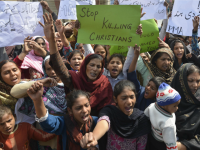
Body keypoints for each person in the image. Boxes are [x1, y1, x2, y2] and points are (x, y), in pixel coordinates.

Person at [39, 13, 113, 116]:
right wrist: (51, 40)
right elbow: (58, 66)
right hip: (74, 124)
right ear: (84, 66)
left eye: (98, 66)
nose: (95, 69)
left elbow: (107, 110)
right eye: (92, 65)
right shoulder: (74, 79)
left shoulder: (105, 84)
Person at [80, 80, 151, 150]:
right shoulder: (109, 111)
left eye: (132, 97)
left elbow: (141, 145)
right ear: (115, 99)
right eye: (124, 98)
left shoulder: (141, 118)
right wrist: (93, 138)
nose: (129, 102)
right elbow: (104, 122)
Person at [27, 81, 98, 150]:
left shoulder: (96, 122)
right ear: (70, 111)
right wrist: (38, 100)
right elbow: (47, 122)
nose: (85, 110)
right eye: (78, 108)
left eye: (87, 105)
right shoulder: (65, 122)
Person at [171, 63, 200, 150]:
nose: (195, 85)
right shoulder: (167, 101)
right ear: (181, 81)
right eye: (190, 81)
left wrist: (180, 146)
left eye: (198, 81)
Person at [127, 45, 165, 111]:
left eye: (153, 88)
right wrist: (136, 56)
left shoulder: (160, 107)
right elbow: (131, 74)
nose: (148, 88)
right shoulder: (141, 91)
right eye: (148, 85)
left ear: (158, 93)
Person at [144, 83, 182, 150]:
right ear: (164, 105)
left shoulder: (152, 106)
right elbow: (170, 141)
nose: (177, 108)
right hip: (162, 142)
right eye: (175, 106)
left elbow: (144, 116)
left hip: (153, 135)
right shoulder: (168, 124)